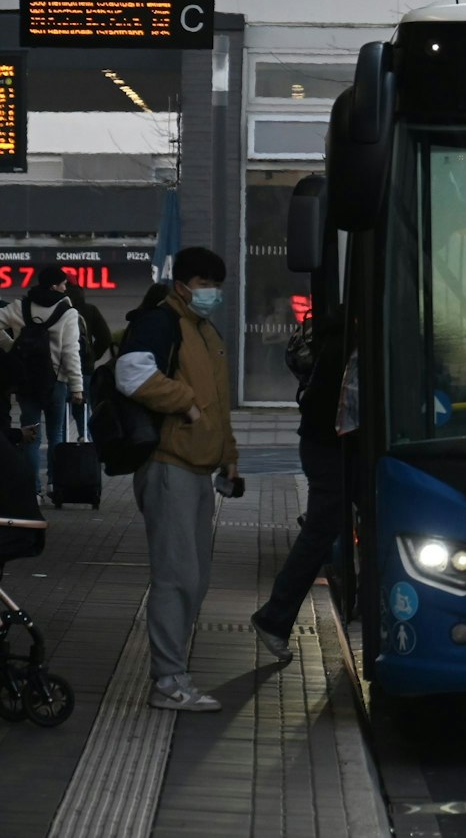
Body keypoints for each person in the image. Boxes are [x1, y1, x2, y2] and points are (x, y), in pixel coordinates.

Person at [116, 246, 239, 712]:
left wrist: (228, 455)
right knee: (176, 576)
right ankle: (168, 680)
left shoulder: (204, 330)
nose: (214, 294)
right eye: (207, 285)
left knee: (195, 577)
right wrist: (183, 401)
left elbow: (219, 402)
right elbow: (131, 374)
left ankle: (174, 673)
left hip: (197, 467)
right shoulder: (162, 322)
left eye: (218, 286)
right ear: (184, 285)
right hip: (169, 464)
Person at [251, 304, 346, 665]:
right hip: (331, 450)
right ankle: (273, 618)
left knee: (321, 532)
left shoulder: (335, 338)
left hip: (323, 447)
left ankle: (274, 618)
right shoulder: (345, 346)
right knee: (318, 535)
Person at [0, 269, 86, 503]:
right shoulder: (68, 312)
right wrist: (77, 387)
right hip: (56, 382)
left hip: (26, 381)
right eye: (63, 284)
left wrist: (10, 346)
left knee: (30, 435)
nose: (66, 288)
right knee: (56, 434)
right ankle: (55, 486)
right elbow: (71, 352)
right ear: (54, 286)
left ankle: (32, 490)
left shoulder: (20, 306)